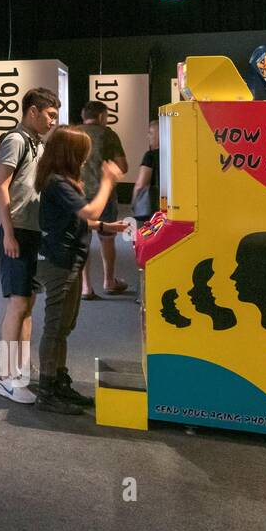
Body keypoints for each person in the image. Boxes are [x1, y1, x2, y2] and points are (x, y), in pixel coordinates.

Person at [34, 126, 122, 414]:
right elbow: (89, 212)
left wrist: (106, 226)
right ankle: (47, 391)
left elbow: (80, 220)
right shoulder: (57, 182)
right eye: (84, 151)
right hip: (59, 262)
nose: (87, 157)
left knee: (64, 326)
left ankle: (58, 382)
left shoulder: (64, 181)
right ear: (71, 153)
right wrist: (108, 182)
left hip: (69, 259)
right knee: (56, 327)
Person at [0, 87, 61, 404]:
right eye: (50, 115)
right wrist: (8, 232)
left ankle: (18, 370)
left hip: (32, 231)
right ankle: (6, 378)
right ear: (32, 111)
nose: (53, 121)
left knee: (28, 304)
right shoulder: (16, 140)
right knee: (18, 303)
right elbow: (1, 186)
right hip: (16, 230)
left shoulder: (38, 143)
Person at [78, 101, 129, 298]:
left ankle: (85, 286)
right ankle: (109, 281)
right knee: (107, 238)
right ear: (101, 117)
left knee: (82, 238)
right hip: (104, 194)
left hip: (79, 194)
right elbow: (123, 166)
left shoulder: (74, 134)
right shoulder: (108, 134)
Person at [132, 120, 159, 224]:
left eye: (151, 133)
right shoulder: (175, 154)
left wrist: (134, 202)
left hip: (152, 207)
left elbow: (141, 184)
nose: (148, 136)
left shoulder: (150, 156)